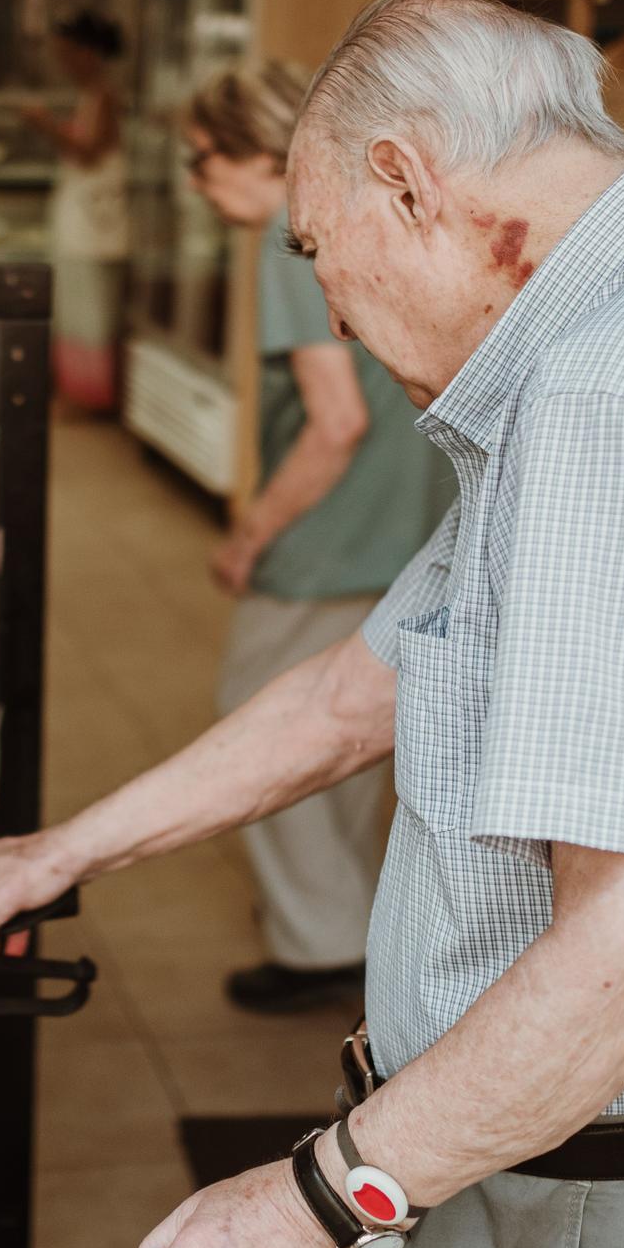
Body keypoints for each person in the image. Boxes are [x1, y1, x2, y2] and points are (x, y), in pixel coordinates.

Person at [0, 0, 624, 1248]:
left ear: (405, 182)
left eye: (318, 249)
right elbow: (363, 687)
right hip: (608, 1164)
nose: (336, 312)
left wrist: (317, 1196)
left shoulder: (608, 396)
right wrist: (61, 849)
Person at [183, 61, 455, 1013]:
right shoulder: (372, 214)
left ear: (259, 150)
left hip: (330, 537)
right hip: (408, 525)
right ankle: (342, 917)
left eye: (200, 158)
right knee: (352, 730)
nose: (195, 179)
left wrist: (252, 531)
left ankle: (319, 941)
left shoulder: (280, 237)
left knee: (255, 719)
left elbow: (333, 420)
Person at [22, 10, 129, 411]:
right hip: (81, 223)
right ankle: (78, 392)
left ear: (89, 54)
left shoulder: (104, 95)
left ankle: (91, 397)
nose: (62, 62)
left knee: (89, 314)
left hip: (93, 228)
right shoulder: (92, 95)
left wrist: (44, 124)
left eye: (67, 53)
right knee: (76, 310)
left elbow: (90, 153)